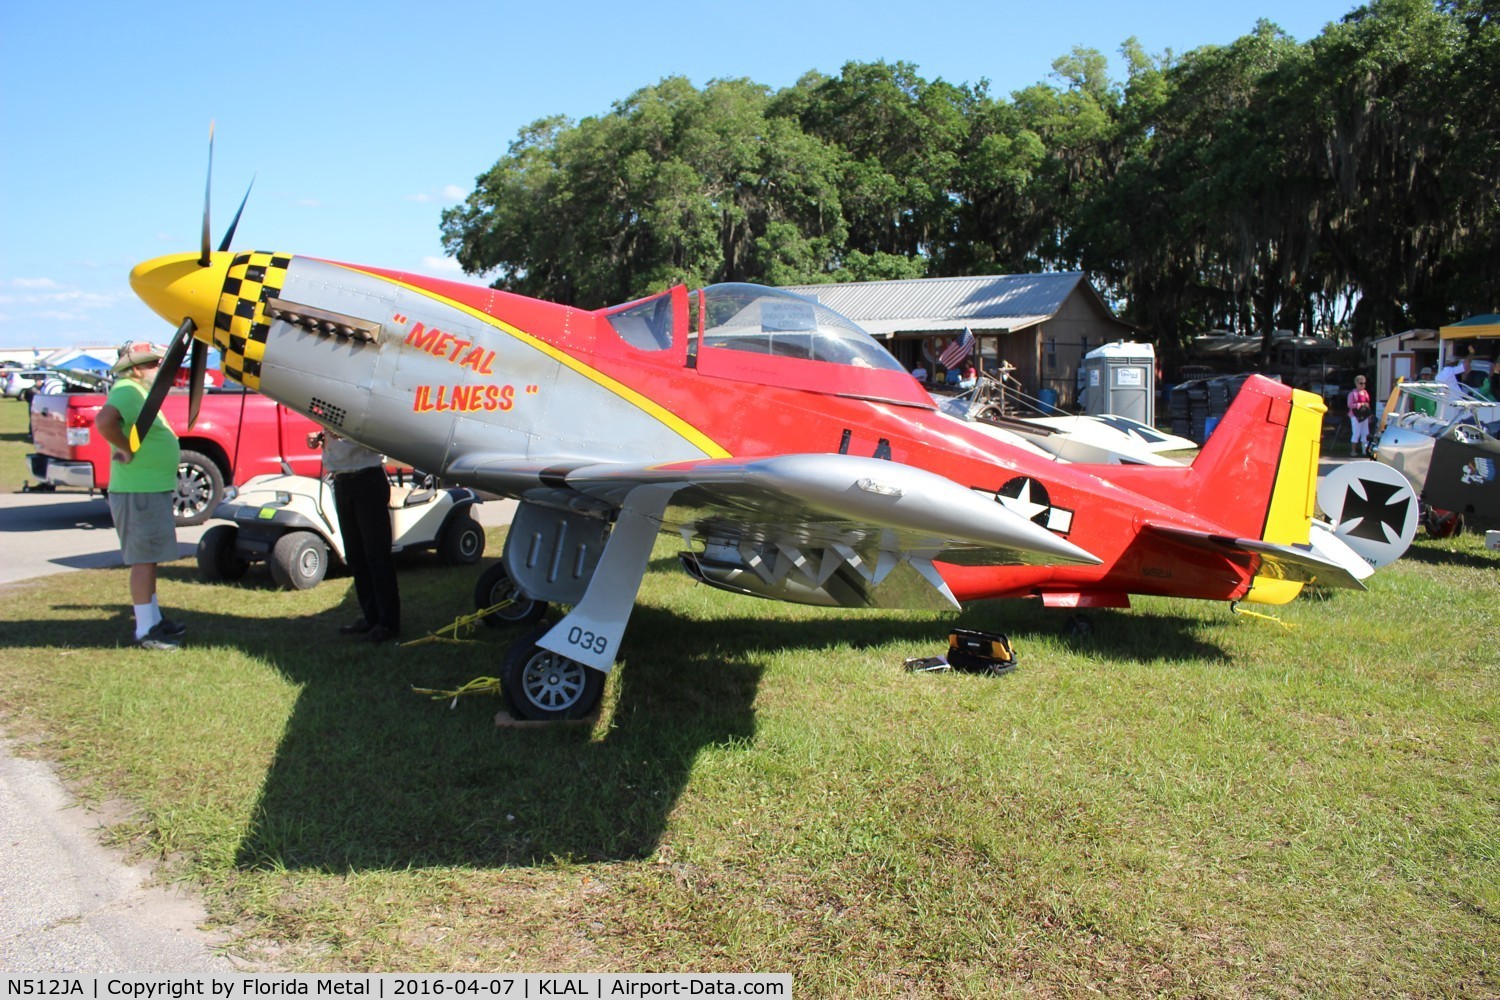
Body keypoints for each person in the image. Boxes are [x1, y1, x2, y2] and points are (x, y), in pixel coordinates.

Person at [95, 341, 186, 651]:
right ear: (136, 369)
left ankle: (154, 618)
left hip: (147, 488)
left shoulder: (136, 392)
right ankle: (145, 630)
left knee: (150, 559)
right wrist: (125, 447)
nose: (159, 368)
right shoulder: (127, 390)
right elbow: (105, 421)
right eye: (153, 363)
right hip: (139, 490)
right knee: (144, 561)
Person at [309, 429, 400, 642]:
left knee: (376, 554)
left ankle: (388, 624)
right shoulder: (328, 406)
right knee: (355, 555)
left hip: (367, 478)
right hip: (342, 480)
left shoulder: (359, 406)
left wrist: (347, 434)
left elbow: (378, 437)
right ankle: (371, 617)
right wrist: (318, 437)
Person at [1346, 375, 1373, 457]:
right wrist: (1360, 404)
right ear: (1357, 384)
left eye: (1364, 383)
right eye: (1361, 383)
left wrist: (1369, 414)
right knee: (1356, 433)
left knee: (1365, 433)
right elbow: (1350, 405)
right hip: (1355, 416)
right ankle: (1353, 450)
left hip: (1364, 415)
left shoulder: (1365, 393)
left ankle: (1365, 451)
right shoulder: (1352, 394)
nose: (1363, 385)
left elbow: (1368, 403)